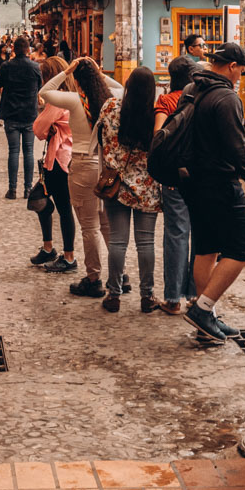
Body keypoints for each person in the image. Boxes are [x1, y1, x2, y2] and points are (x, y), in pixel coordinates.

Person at [177, 42, 245, 345]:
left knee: (206, 248)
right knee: (241, 250)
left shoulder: (192, 89)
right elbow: (236, 145)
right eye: (241, 71)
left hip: (192, 181)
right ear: (233, 66)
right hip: (220, 181)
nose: (240, 76)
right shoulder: (225, 97)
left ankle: (205, 318)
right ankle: (203, 310)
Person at [38, 57, 123, 298]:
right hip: (105, 166)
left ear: (76, 78)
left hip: (83, 164)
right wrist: (98, 72)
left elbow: (45, 91)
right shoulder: (111, 99)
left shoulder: (75, 101)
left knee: (89, 227)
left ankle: (94, 278)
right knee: (106, 224)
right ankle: (120, 275)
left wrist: (67, 71)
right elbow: (122, 87)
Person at [96, 66, 161, 313]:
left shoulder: (110, 108)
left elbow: (101, 141)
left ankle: (114, 295)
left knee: (118, 242)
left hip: (116, 187)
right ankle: (147, 297)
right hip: (147, 188)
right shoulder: (155, 114)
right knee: (146, 244)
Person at [153, 55, 196, 316]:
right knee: (199, 234)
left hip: (175, 177)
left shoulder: (167, 101)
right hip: (200, 175)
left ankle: (173, 298)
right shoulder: (202, 100)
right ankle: (194, 295)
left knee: (177, 234)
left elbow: (157, 137)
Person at [29, 55, 77, 271]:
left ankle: (68, 257)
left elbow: (38, 129)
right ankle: (49, 248)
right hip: (60, 158)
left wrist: (47, 124)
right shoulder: (74, 96)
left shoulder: (58, 100)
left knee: (63, 207)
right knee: (41, 199)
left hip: (59, 160)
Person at [0, 35, 42, 199]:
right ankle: (28, 189)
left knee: (13, 151)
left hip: (11, 113)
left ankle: (12, 189)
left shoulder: (7, 66)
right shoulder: (35, 67)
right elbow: (40, 86)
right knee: (29, 151)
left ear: (13, 49)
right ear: (28, 49)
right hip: (29, 114)